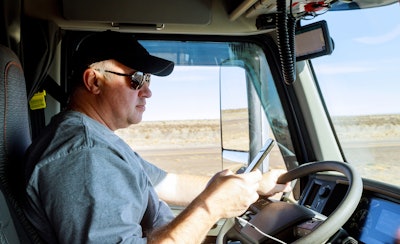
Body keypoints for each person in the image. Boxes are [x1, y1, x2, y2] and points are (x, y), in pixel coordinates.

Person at [22, 31, 291, 243]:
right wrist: (211, 207)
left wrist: (251, 185)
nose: (148, 91)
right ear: (94, 81)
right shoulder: (85, 156)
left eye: (148, 80)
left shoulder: (98, 140)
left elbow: (169, 184)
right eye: (137, 79)